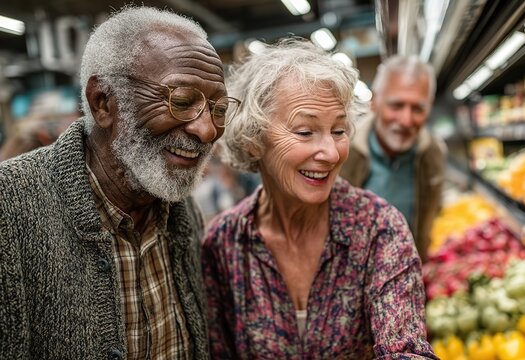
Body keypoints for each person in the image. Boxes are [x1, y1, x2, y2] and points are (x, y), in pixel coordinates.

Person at [0, 6, 238, 359]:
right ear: (103, 102)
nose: (206, 130)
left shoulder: (178, 206)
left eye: (218, 109)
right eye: (182, 100)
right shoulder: (9, 208)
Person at [201, 39, 437, 359]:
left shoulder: (378, 228)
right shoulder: (224, 244)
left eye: (338, 131)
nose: (330, 153)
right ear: (254, 138)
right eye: (305, 132)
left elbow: (405, 348)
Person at [340, 56, 446, 262]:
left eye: (418, 108)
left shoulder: (434, 152)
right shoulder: (343, 151)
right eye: (396, 106)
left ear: (429, 108)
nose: (406, 120)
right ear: (375, 102)